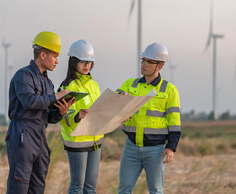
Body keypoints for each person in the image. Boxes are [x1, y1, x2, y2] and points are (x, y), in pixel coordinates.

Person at [5, 31, 75, 194]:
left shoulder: (48, 83)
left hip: (39, 136)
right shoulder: (23, 76)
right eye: (55, 56)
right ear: (43, 54)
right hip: (23, 135)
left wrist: (60, 112)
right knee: (19, 186)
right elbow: (29, 102)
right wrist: (56, 96)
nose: (57, 61)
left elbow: (48, 116)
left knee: (38, 187)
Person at [116, 42, 181, 194]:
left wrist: (171, 147)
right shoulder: (129, 84)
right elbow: (115, 98)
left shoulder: (169, 90)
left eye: (148, 61)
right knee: (124, 190)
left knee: (156, 190)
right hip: (131, 147)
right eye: (142, 60)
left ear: (160, 65)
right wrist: (121, 98)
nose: (143, 64)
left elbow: (174, 122)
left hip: (156, 150)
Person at [58, 39, 104, 194]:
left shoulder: (94, 85)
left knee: (91, 187)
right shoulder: (67, 86)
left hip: (95, 140)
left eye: (89, 62)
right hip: (77, 142)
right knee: (78, 186)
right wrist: (76, 116)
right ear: (73, 62)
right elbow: (61, 116)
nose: (87, 66)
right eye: (83, 62)